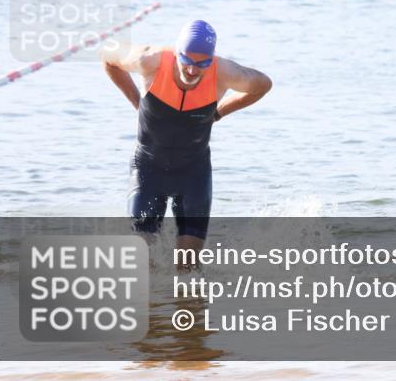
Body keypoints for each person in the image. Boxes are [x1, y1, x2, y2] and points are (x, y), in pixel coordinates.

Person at [102, 20, 272, 267]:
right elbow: (108, 55)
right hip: (148, 169)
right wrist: (136, 102)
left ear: (211, 59)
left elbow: (263, 85)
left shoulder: (224, 73)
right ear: (177, 52)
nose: (193, 70)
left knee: (188, 267)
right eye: (187, 60)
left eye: (202, 63)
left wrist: (219, 112)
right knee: (143, 263)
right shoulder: (150, 60)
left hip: (193, 173)